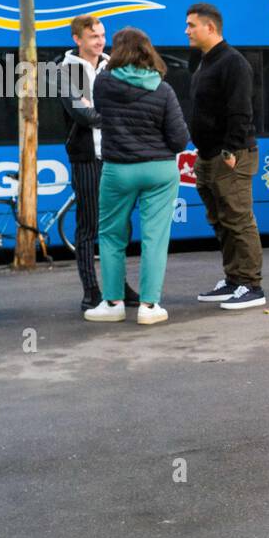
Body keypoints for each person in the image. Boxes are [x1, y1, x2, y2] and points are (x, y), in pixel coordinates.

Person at [84, 27, 189, 325]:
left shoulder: (103, 83)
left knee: (111, 235)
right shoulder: (163, 89)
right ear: (148, 51)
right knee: (155, 238)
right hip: (160, 170)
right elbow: (180, 140)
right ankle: (149, 306)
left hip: (119, 169)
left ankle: (113, 303)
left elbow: (101, 116)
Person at [184, 4, 268, 309]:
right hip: (207, 155)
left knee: (238, 218)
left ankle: (252, 285)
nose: (187, 30)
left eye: (192, 25)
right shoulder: (205, 62)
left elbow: (241, 110)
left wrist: (231, 149)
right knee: (220, 219)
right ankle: (234, 279)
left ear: (210, 27)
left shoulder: (234, 63)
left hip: (231, 155)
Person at [56, 15, 139, 313]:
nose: (101, 41)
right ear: (77, 39)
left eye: (103, 35)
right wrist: (111, 113)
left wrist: (101, 110)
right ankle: (91, 291)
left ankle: (119, 286)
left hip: (117, 156)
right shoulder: (63, 71)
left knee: (120, 226)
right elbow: (83, 115)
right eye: (94, 37)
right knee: (89, 225)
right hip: (86, 158)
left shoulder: (114, 65)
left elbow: (132, 104)